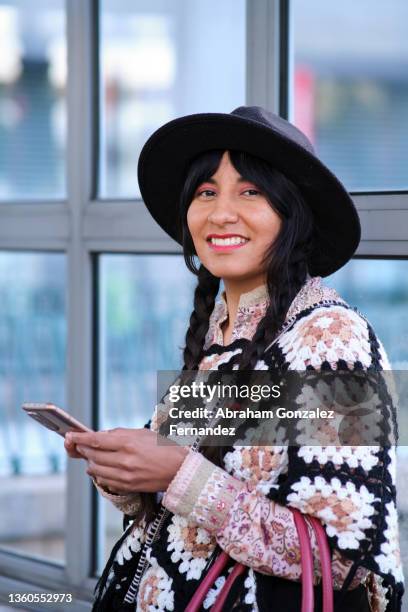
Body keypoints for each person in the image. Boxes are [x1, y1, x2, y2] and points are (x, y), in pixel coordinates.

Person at [64, 106, 404, 611]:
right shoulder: (220, 328)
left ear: (294, 214)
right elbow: (187, 499)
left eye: (250, 192)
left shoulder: (334, 340)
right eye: (206, 192)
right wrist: (127, 472)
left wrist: (177, 474)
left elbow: (343, 558)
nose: (221, 213)